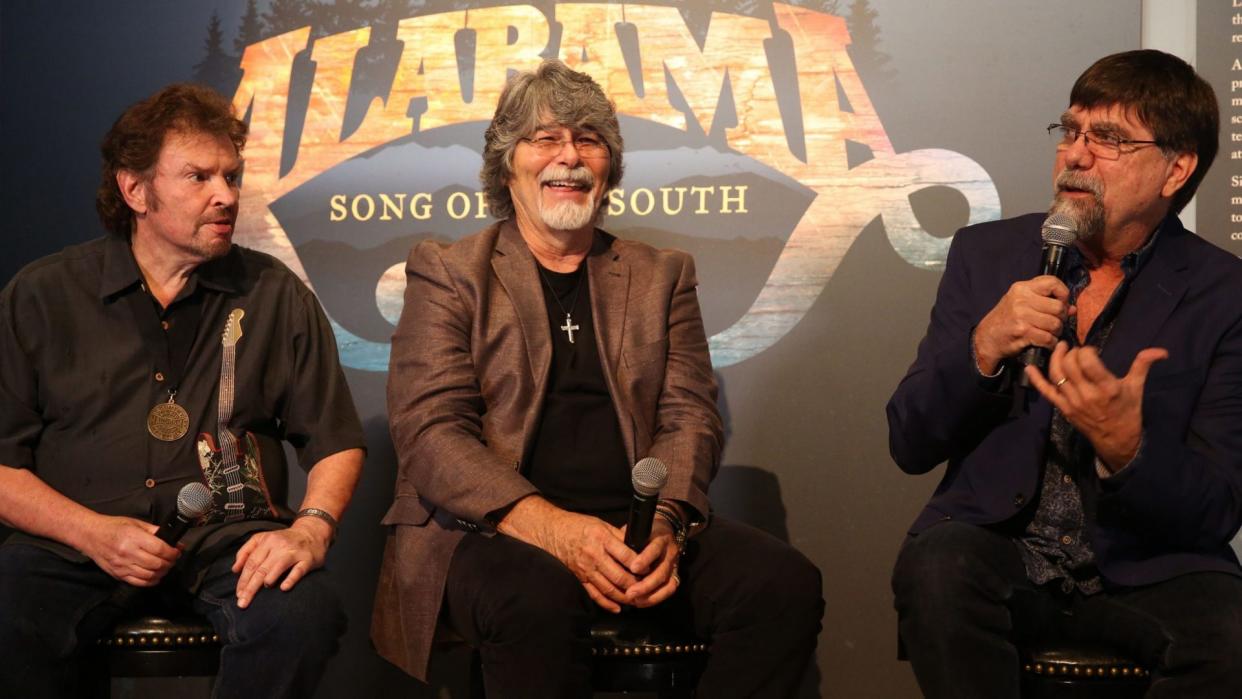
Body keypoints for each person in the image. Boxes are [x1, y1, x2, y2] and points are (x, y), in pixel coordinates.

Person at [371, 59, 822, 698]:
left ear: (609, 166)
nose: (570, 157)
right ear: (507, 163)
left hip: (634, 528)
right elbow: (430, 433)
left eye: (589, 139)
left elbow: (690, 416)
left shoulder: (663, 274)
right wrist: (554, 529)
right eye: (544, 138)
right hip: (491, 531)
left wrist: (664, 524)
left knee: (783, 586)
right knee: (536, 600)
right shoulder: (448, 272)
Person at [887, 49, 1242, 698]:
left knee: (1232, 635)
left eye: (1108, 138)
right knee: (937, 569)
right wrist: (985, 344)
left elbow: (1217, 507)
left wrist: (1126, 447)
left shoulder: (1224, 294)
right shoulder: (987, 255)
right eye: (1071, 131)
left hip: (1149, 561)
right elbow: (909, 439)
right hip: (1000, 547)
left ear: (1177, 168)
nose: (1076, 155)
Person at [0, 83, 366, 698]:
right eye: (198, 177)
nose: (225, 195)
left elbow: (336, 440)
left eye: (231, 174)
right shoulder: (42, 296)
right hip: (71, 546)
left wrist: (311, 529)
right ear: (135, 190)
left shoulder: (274, 294)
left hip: (227, 542)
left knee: (301, 613)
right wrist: (93, 533)